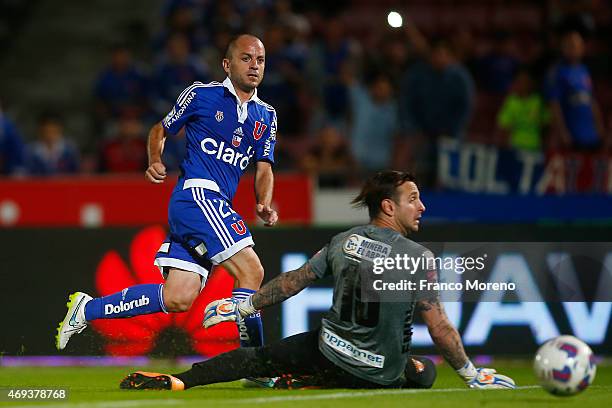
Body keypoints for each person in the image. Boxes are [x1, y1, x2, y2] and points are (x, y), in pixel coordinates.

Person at [120, 171, 515, 391]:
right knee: (424, 372)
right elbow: (440, 326)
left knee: (255, 361)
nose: (422, 206)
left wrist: (242, 305)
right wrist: (470, 373)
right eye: (414, 198)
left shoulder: (343, 241)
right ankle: (309, 380)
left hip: (329, 351)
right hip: (380, 373)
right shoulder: (419, 258)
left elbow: (293, 282)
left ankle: (180, 381)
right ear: (389, 206)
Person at [57, 35, 278, 359]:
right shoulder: (202, 95)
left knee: (178, 297)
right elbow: (160, 129)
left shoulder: (266, 115)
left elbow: (264, 168)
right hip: (198, 195)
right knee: (252, 272)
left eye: (259, 60)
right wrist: (155, 159)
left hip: (212, 206)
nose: (254, 66)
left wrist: (264, 202)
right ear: (227, 65)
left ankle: (87, 309)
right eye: (246, 59)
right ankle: (255, 366)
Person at [546, 30, 608, 151]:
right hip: (571, 136)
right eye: (570, 45)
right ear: (563, 48)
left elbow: (591, 100)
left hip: (590, 135)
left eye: (577, 45)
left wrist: (599, 127)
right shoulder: (557, 72)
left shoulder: (584, 70)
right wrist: (563, 132)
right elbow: (554, 105)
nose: (574, 49)